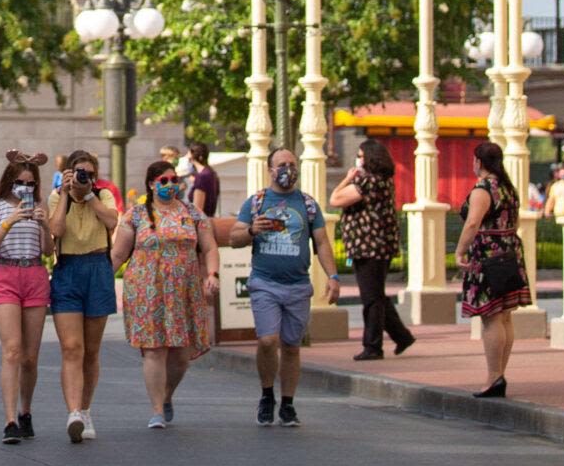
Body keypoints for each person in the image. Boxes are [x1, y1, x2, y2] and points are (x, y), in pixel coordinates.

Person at [220, 146, 337, 425]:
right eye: (282, 165)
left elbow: (321, 242)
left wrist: (333, 277)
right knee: (267, 340)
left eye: (292, 165)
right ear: (270, 170)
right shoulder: (257, 202)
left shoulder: (307, 205)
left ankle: (287, 403)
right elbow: (234, 237)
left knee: (292, 346)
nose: (288, 170)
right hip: (265, 283)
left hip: (298, 285)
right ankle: (266, 394)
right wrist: (251, 230)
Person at [114, 156, 219, 430]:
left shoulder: (193, 213)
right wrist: (101, 278)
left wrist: (212, 274)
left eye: (174, 180)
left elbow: (209, 247)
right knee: (155, 350)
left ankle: (167, 394)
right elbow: (118, 254)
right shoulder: (135, 215)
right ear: (151, 184)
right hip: (146, 288)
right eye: (164, 181)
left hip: (184, 289)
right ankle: (157, 410)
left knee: (181, 356)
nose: (170, 185)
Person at [46, 146, 119, 442]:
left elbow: (113, 222)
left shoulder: (103, 196)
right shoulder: (57, 197)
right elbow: (56, 230)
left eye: (89, 173)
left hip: (98, 268)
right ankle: (73, 411)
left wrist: (89, 195)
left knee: (91, 350)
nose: (83, 177)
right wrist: (65, 193)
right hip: (68, 270)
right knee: (72, 348)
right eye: (79, 172)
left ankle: (86, 409)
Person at [0, 151, 51, 443]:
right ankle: (10, 420)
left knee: (30, 358)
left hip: (34, 274)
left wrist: (45, 224)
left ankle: (26, 411)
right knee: (12, 350)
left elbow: (48, 251)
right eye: (20, 183)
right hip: (6, 275)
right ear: (9, 181)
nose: (26, 188)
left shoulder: (41, 206)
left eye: (31, 184)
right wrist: (10, 220)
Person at [455, 139, 529, 398]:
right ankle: (499, 374)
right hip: (509, 251)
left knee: (492, 316)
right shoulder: (508, 188)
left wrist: (460, 250)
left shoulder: (483, 189)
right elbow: (516, 221)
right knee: (506, 314)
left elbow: (473, 223)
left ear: (479, 162)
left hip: (488, 254)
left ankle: (493, 376)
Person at [332, 139, 414, 362]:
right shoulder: (383, 181)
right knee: (376, 295)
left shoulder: (369, 182)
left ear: (369, 158)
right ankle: (402, 336)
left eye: (360, 155)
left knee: (371, 298)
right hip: (377, 246)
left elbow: (335, 199)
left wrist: (348, 178)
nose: (358, 159)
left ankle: (373, 345)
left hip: (370, 247)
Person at [187, 139, 221, 217]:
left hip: (202, 223)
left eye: (188, 152)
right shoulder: (211, 173)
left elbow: (197, 210)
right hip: (209, 218)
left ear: (193, 154)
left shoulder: (202, 176)